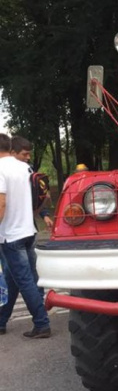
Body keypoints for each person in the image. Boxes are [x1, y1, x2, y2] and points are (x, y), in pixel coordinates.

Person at [0, 134, 51, 338]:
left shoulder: (0, 169)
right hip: (29, 231)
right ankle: (2, 320)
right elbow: (41, 197)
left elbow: (1, 204)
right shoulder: (25, 167)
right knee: (16, 278)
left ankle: (42, 323)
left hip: (11, 235)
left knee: (25, 281)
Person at [11, 135, 53, 229]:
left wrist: (45, 215)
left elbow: (35, 195)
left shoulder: (28, 170)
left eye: (29, 154)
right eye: (25, 154)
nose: (28, 157)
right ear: (13, 153)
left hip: (28, 228)